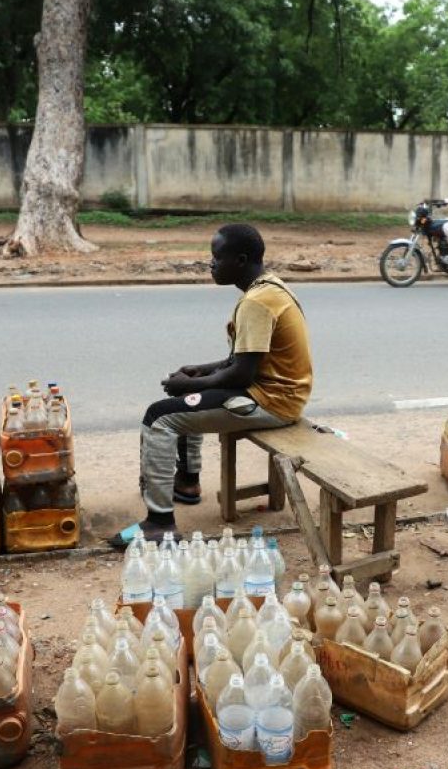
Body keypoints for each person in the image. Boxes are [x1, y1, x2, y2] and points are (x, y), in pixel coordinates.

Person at [109, 223, 314, 547]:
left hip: (273, 402)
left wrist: (188, 385)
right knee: (188, 398)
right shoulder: (267, 288)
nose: (211, 264)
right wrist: (199, 372)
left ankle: (160, 523)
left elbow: (241, 375)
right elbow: (242, 359)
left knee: (159, 417)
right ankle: (186, 485)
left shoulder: (257, 302)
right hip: (274, 392)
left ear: (241, 260)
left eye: (217, 257)